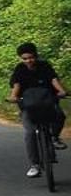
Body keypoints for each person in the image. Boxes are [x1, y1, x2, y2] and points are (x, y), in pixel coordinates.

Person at [9, 42, 66, 177]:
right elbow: (16, 85)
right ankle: (35, 165)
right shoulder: (19, 69)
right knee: (30, 133)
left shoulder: (44, 66)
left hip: (47, 104)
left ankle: (55, 138)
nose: (28, 60)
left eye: (31, 57)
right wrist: (13, 97)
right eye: (25, 58)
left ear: (36, 56)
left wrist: (62, 91)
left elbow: (53, 80)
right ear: (21, 59)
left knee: (60, 116)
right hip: (28, 107)